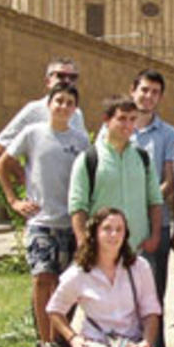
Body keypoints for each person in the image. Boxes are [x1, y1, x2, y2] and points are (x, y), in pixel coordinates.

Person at [0, 83, 89, 347]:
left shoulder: (81, 140)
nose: (63, 106)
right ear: (49, 104)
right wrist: (14, 200)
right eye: (58, 101)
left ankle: (62, 341)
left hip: (70, 222)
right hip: (41, 222)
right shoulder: (33, 134)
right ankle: (45, 345)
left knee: (68, 285)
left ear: (75, 109)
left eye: (69, 102)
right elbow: (3, 163)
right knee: (42, 279)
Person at [48, 207, 164, 347]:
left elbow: (151, 312)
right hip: (98, 341)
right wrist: (72, 338)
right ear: (94, 233)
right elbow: (55, 310)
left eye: (119, 229)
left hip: (131, 342)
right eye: (107, 229)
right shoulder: (79, 273)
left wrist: (147, 342)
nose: (114, 235)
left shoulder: (139, 267)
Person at [96, 69, 174, 347]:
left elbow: (170, 178)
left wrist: (149, 203)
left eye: (155, 92)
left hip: (154, 225)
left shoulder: (168, 133)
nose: (149, 97)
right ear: (133, 91)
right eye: (144, 90)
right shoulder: (113, 130)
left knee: (153, 291)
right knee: (115, 289)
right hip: (117, 227)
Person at [68, 97, 163, 254]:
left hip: (136, 249)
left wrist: (155, 236)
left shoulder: (143, 158)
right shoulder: (89, 159)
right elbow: (78, 205)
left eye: (132, 119)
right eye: (122, 119)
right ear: (107, 120)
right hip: (100, 250)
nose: (128, 125)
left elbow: (155, 200)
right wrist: (82, 240)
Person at [0, 57, 88, 158]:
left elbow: (83, 150)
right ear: (48, 81)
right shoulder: (34, 109)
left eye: (72, 77)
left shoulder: (76, 114)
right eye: (61, 76)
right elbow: (0, 146)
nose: (67, 81)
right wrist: (24, 173)